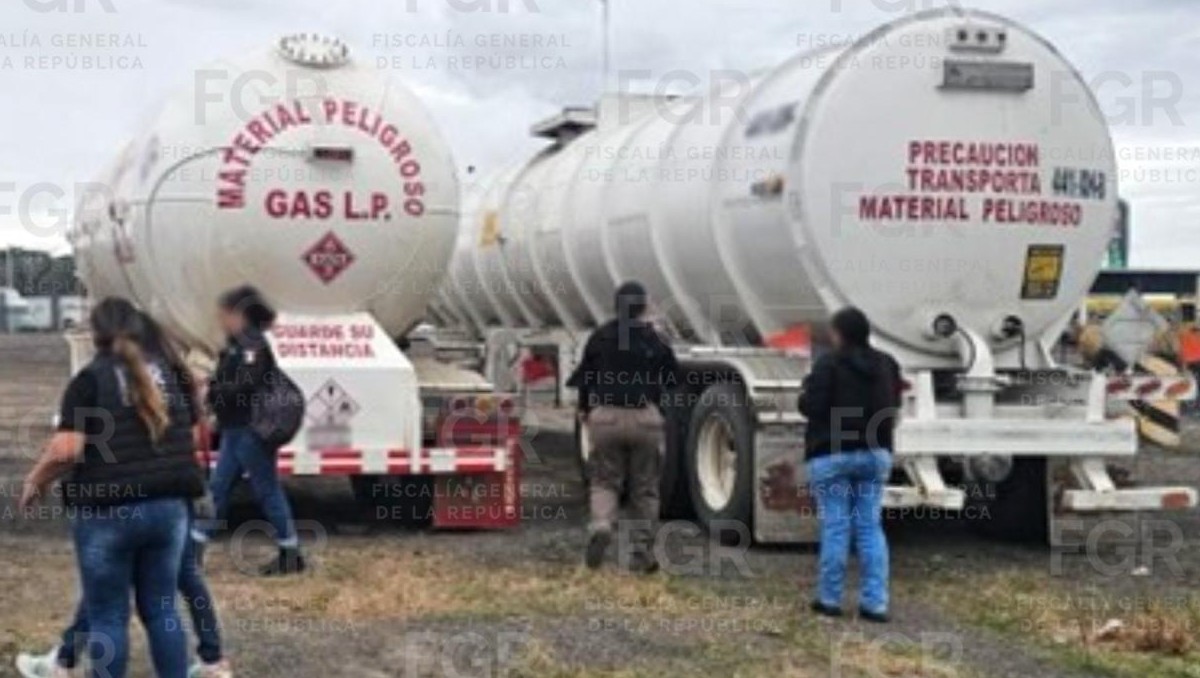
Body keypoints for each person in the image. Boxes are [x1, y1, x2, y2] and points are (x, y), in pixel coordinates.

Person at [15, 311, 233, 678]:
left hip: (110, 510)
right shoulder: (172, 374)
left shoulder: (92, 379)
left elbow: (67, 449)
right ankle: (194, 663)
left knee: (108, 613)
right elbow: (192, 429)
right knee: (162, 608)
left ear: (99, 337)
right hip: (170, 506)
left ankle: (66, 660)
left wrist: (36, 480)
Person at [567, 281, 680, 573]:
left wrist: (585, 409)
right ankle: (642, 555)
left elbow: (585, 378)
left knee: (604, 481)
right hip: (644, 419)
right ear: (643, 306)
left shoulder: (601, 336)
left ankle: (602, 525)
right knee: (645, 488)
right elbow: (673, 379)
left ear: (616, 305)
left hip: (606, 418)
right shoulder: (654, 339)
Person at [798, 307, 901, 623]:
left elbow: (811, 406)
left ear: (839, 333)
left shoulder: (828, 363)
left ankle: (830, 600)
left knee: (836, 526)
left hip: (832, 454)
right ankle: (875, 604)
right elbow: (894, 405)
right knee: (870, 527)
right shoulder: (887, 364)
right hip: (874, 453)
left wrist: (806, 392)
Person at [203, 285, 304, 576]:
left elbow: (247, 383)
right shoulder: (238, 344)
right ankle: (191, 552)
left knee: (263, 488)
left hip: (250, 428)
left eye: (224, 314)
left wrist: (214, 393)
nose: (220, 320)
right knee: (219, 489)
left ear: (238, 315)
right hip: (236, 428)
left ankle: (290, 551)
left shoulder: (250, 345)